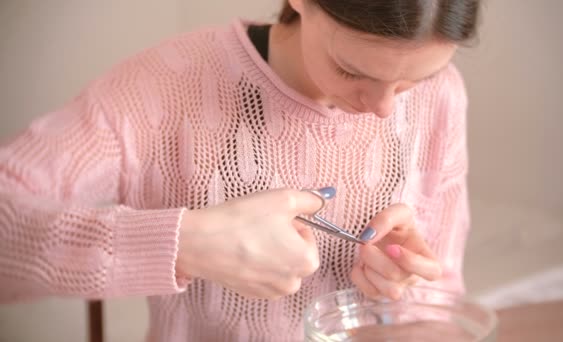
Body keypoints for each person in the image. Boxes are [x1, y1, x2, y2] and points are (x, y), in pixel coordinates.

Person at [0, 0, 480, 340]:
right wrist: (187, 244)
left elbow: (443, 302)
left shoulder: (442, 97)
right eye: (352, 71)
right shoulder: (161, 87)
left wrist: (403, 289)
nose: (381, 108)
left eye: (416, 80)